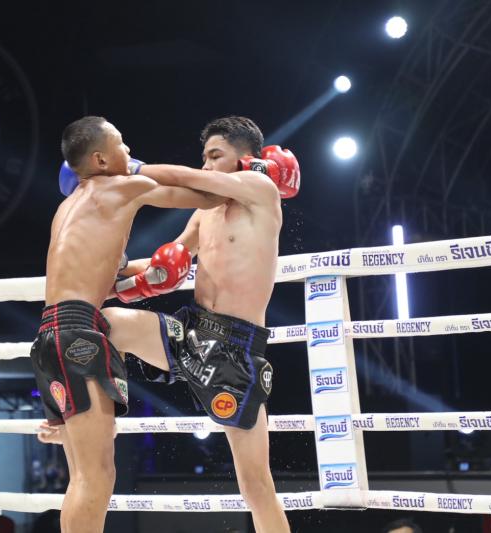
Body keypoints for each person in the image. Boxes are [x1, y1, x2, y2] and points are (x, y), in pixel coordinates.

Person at [39, 116, 298, 532]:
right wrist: (129, 276)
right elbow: (171, 258)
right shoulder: (205, 213)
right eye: (204, 157)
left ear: (245, 157)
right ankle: (80, 415)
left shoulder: (259, 189)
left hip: (234, 347)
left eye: (215, 156)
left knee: (255, 486)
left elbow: (189, 180)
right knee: (105, 323)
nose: (206, 165)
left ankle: (79, 413)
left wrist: (133, 168)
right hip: (193, 331)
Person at [31, 115, 221, 533]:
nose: (129, 151)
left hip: (51, 335)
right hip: (79, 335)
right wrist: (248, 174)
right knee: (96, 477)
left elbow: (106, 273)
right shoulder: (118, 187)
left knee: (83, 476)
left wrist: (151, 274)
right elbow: (204, 194)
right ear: (100, 160)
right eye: (122, 144)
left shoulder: (68, 208)